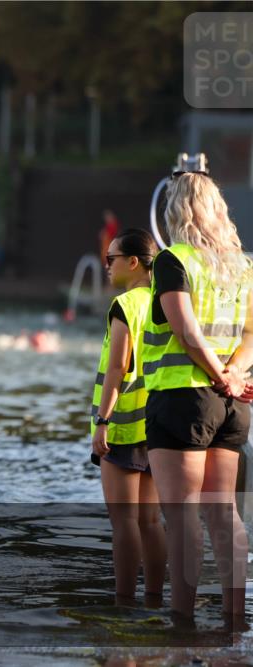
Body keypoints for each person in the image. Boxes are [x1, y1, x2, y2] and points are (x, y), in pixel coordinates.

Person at [141, 170, 253, 626]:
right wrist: (233, 375)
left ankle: (182, 621)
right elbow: (251, 334)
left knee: (183, 516)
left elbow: (185, 331)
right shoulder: (242, 265)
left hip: (182, 399)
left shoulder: (174, 260)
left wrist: (215, 375)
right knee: (224, 514)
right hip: (232, 405)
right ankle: (235, 617)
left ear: (174, 210)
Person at [90, 228, 165, 605]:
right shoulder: (166, 299)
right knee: (151, 522)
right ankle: (154, 599)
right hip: (158, 423)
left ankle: (124, 603)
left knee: (124, 523)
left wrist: (103, 420)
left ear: (133, 262)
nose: (106, 266)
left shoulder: (126, 305)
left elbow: (117, 367)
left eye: (111, 259)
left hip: (123, 425)